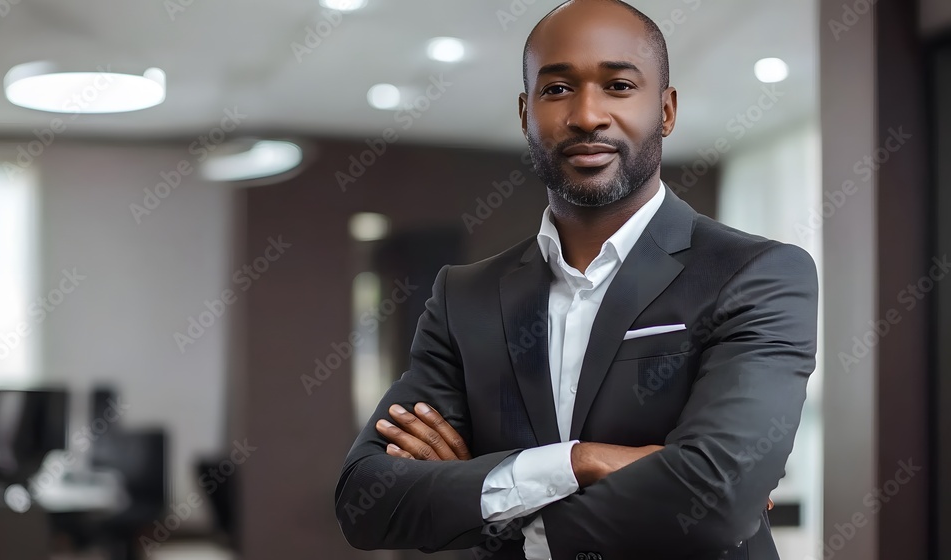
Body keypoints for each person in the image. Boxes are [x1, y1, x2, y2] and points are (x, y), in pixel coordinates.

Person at [334, 0, 817, 558]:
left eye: (618, 85)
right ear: (525, 113)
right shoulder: (464, 297)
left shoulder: (756, 275)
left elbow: (715, 498)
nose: (587, 115)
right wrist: (580, 460)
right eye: (558, 89)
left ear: (665, 110)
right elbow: (366, 501)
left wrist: (491, 499)